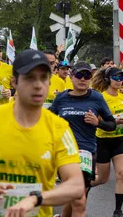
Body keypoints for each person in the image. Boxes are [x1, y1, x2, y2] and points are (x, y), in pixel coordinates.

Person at [0, 49, 84, 217]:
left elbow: (76, 185)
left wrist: (36, 199)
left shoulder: (60, 128)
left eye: (43, 78)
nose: (38, 85)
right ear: (14, 82)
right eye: (30, 78)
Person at [50, 61, 117, 217]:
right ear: (71, 77)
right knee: (76, 197)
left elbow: (111, 124)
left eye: (87, 76)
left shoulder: (96, 98)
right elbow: (48, 122)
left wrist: (97, 122)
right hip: (65, 153)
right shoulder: (61, 98)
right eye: (79, 75)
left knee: (77, 197)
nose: (83, 79)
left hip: (87, 152)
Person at [90, 67, 123, 217]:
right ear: (108, 79)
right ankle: (84, 185)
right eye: (116, 78)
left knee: (121, 174)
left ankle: (117, 211)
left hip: (120, 140)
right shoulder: (100, 98)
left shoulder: (122, 96)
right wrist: (114, 121)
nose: (119, 81)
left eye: (121, 78)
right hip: (103, 141)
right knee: (102, 179)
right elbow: (96, 121)